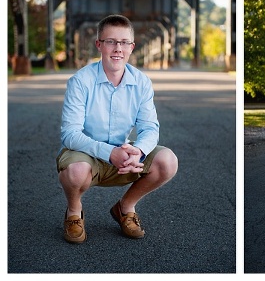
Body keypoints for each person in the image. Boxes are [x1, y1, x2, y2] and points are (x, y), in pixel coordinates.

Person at [57, 14, 179, 243]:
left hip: (123, 153)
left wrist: (139, 151)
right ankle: (74, 213)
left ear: (132, 47)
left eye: (124, 42)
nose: (117, 48)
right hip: (86, 154)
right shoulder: (80, 81)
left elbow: (150, 128)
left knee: (168, 161)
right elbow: (70, 134)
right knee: (76, 171)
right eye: (111, 41)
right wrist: (108, 153)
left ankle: (125, 208)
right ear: (99, 45)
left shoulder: (141, 82)